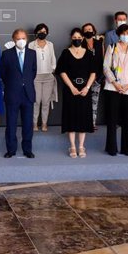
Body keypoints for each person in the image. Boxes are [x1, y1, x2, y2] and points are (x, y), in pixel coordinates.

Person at [102, 24, 128, 156]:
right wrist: (115, 83)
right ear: (119, 34)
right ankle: (111, 147)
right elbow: (106, 67)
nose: (125, 35)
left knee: (127, 120)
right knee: (112, 119)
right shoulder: (112, 47)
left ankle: (127, 148)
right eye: (123, 33)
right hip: (113, 88)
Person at [56, 28, 97, 158]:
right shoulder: (66, 53)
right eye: (74, 37)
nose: (77, 39)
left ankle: (81, 146)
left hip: (85, 90)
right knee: (71, 117)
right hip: (70, 90)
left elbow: (93, 72)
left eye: (79, 37)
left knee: (83, 117)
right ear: (71, 38)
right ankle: (73, 146)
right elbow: (62, 71)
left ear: (83, 38)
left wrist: (87, 87)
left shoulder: (89, 54)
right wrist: (71, 87)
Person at [0, 29, 37, 158]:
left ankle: (27, 149)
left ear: (27, 39)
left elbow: (33, 72)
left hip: (28, 93)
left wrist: (24, 83)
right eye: (18, 38)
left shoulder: (32, 53)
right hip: (12, 93)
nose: (21, 40)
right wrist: (13, 84)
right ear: (14, 39)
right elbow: (3, 74)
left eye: (23, 38)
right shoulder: (6, 54)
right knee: (11, 123)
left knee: (28, 124)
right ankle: (11, 150)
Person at [28, 23, 57, 132]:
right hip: (36, 77)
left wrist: (52, 69)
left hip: (48, 77)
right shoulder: (31, 44)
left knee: (46, 101)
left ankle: (44, 123)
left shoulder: (50, 44)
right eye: (40, 32)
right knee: (36, 101)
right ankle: (34, 123)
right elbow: (29, 60)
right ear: (36, 33)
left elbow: (53, 58)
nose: (42, 33)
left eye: (44, 32)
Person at [82, 23, 104, 130]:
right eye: (85, 30)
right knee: (84, 101)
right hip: (85, 78)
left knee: (94, 101)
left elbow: (103, 59)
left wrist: (99, 76)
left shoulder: (99, 43)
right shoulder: (80, 44)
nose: (88, 31)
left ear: (94, 31)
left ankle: (92, 123)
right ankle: (83, 122)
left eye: (90, 29)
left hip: (98, 77)